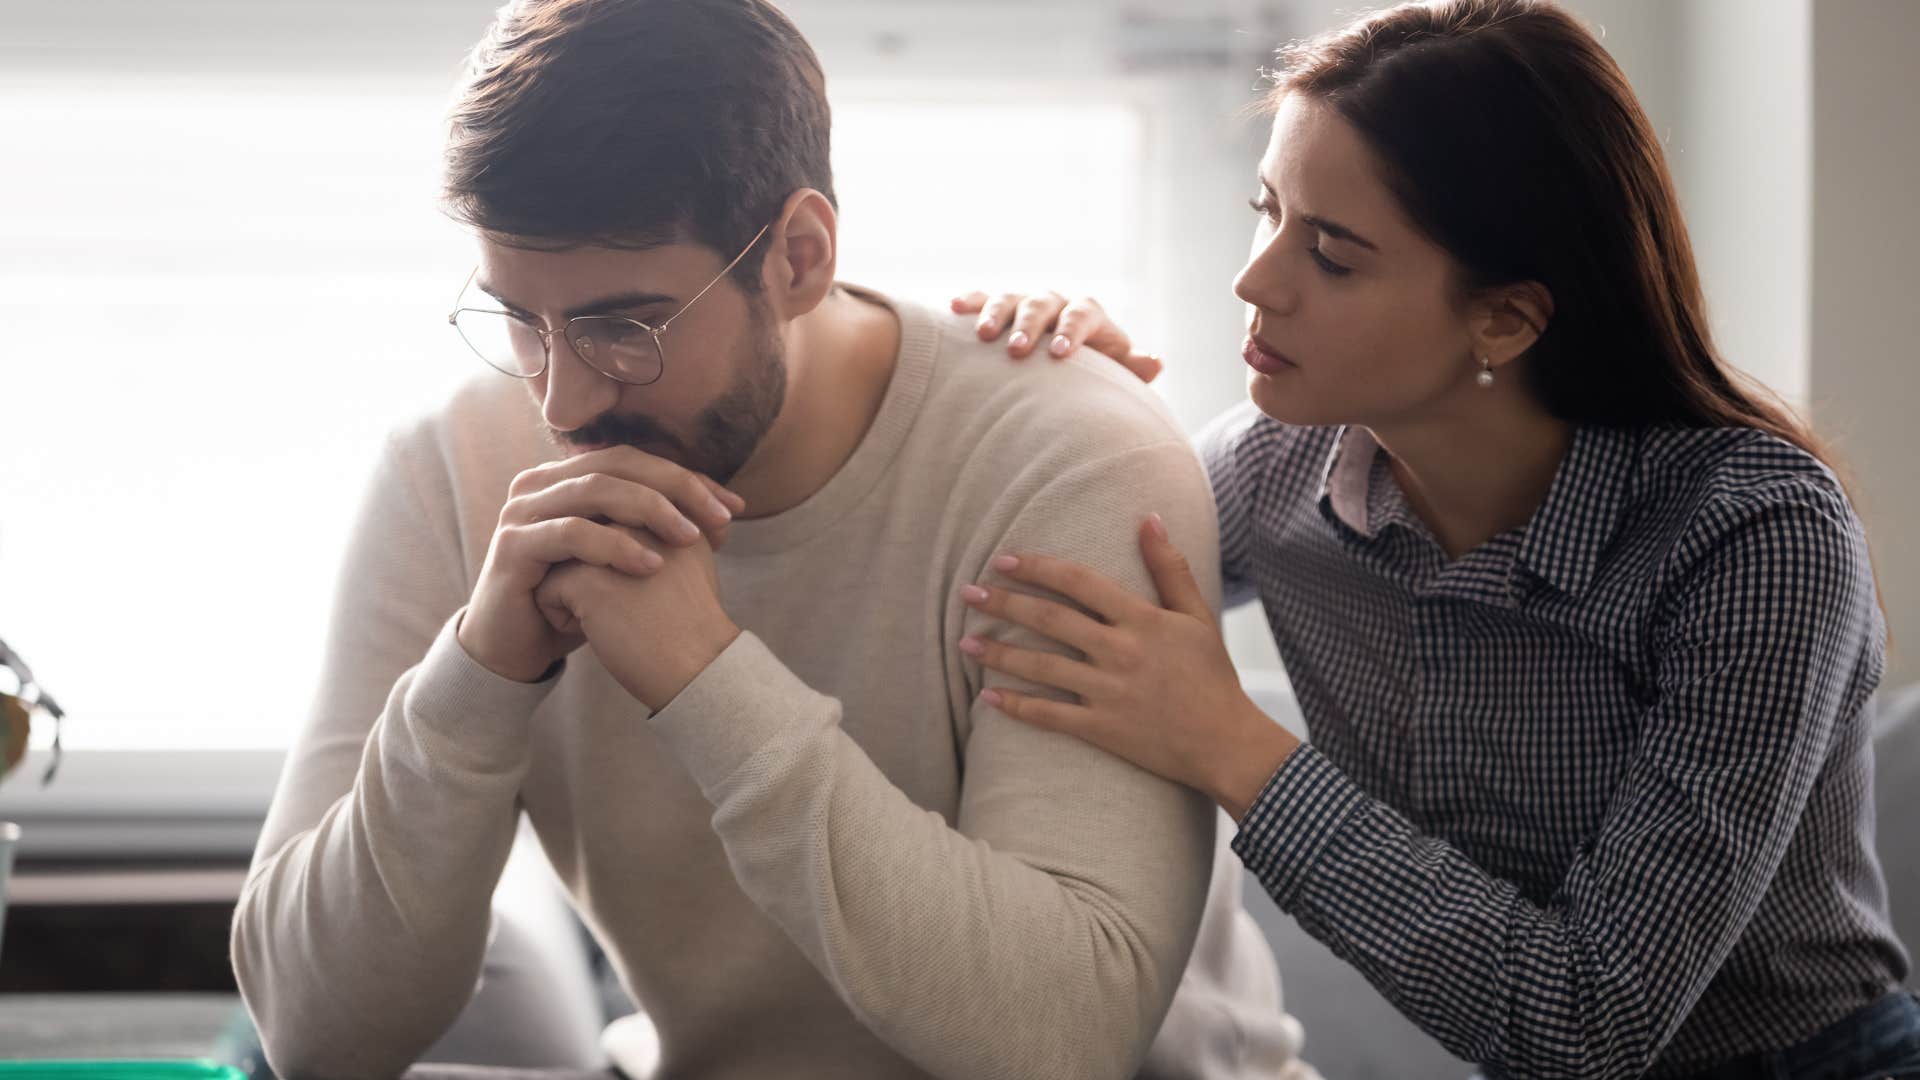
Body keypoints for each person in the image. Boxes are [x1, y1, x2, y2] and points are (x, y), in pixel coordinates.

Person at [228, 1, 1310, 1077]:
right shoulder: (454, 468)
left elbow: (1060, 1041)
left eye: (625, 326)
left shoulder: (1070, 458)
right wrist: (477, 678)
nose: (561, 400)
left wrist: (705, 679)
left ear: (797, 255)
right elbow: (313, 1036)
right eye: (519, 317)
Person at [953, 0, 1920, 1076]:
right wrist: (1069, 399)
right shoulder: (1276, 471)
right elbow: (1036, 575)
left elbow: (1588, 1023)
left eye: (1331, 255)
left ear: (1504, 318)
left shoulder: (1754, 537)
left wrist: (1227, 740)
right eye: (1263, 211)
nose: (1254, 280)